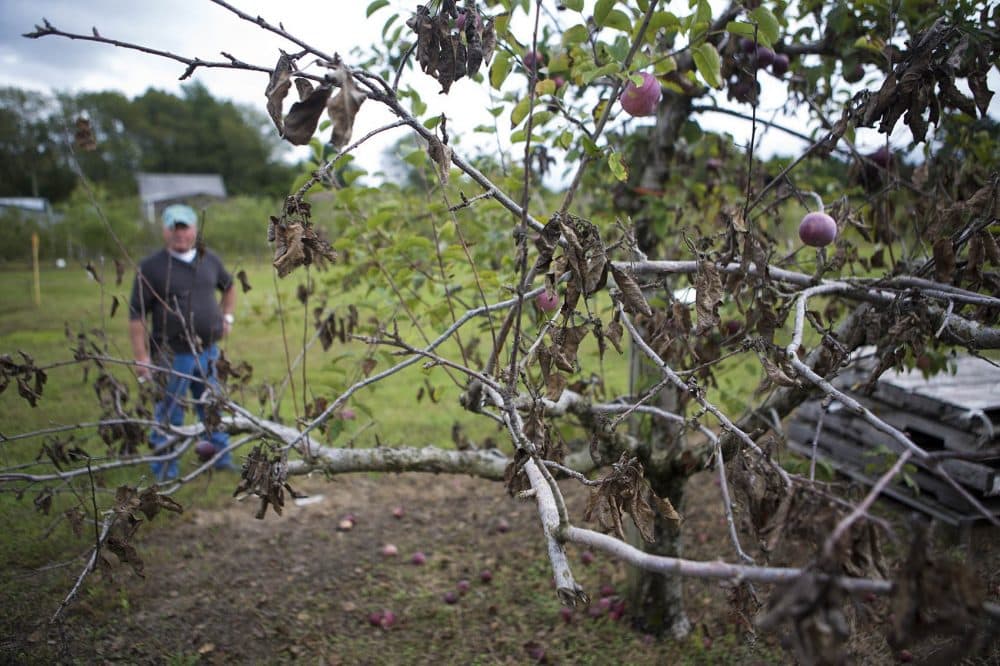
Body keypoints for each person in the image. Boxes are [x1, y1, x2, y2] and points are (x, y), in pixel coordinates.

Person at [128, 203, 238, 480]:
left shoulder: (208, 259)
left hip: (208, 350)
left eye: (184, 228)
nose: (180, 234)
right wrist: (142, 357)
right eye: (173, 228)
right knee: (170, 411)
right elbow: (136, 314)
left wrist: (228, 317)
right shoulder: (151, 267)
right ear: (165, 231)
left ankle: (221, 457)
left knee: (211, 405)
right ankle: (166, 468)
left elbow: (229, 285)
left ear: (194, 229)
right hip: (172, 353)